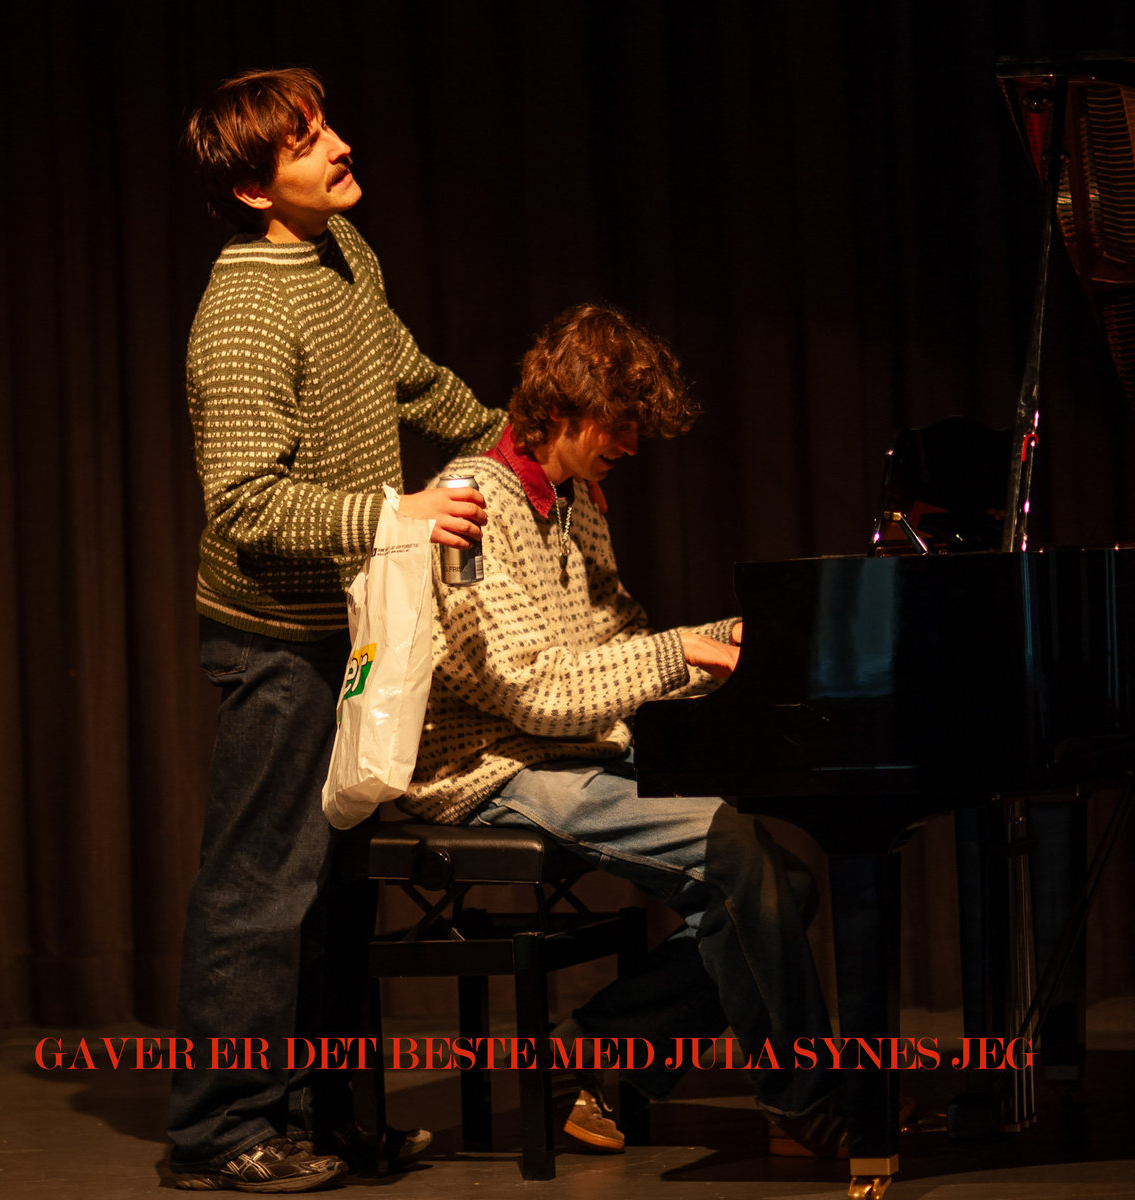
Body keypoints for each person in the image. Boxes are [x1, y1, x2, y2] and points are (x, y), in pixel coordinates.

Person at [169, 67, 507, 1192]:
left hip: (354, 628)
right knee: (260, 890)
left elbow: (408, 376)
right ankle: (219, 1134)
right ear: (253, 188)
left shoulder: (345, 253)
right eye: (307, 141)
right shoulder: (243, 313)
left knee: (334, 895)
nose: (339, 146)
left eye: (327, 127)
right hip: (275, 640)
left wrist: (510, 448)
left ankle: (327, 1115)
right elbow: (243, 504)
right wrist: (393, 513)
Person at [402, 302, 842, 1155]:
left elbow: (614, 644)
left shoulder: (575, 503)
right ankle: (805, 1103)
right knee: (734, 849)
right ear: (562, 407)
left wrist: (735, 638)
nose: (633, 446)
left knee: (786, 884)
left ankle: (591, 1056)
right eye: (621, 425)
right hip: (490, 764)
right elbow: (532, 690)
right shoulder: (470, 504)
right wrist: (687, 652)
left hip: (569, 749)